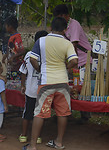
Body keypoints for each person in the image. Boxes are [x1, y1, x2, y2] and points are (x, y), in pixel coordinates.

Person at [23, 17, 78, 150]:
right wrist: (66, 67)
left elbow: (32, 59)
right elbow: (74, 61)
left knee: (40, 112)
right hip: (62, 82)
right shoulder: (67, 43)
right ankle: (58, 142)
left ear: (50, 28)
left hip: (47, 81)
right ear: (65, 30)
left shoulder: (41, 41)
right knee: (62, 112)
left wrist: (39, 69)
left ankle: (33, 145)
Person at [53, 4, 91, 120]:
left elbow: (73, 45)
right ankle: (66, 113)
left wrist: (72, 64)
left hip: (82, 60)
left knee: (81, 88)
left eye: (60, 16)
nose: (58, 18)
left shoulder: (74, 25)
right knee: (70, 87)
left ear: (67, 16)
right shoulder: (61, 27)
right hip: (72, 61)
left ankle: (85, 115)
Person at [18, 30, 48, 144]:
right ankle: (38, 136)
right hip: (43, 90)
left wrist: (22, 85)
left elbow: (23, 72)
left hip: (30, 90)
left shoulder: (29, 55)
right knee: (40, 114)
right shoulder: (48, 55)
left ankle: (24, 135)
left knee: (27, 113)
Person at [2, 16, 25, 90]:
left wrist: (12, 57)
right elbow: (11, 49)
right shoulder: (12, 37)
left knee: (14, 85)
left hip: (16, 66)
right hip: (12, 66)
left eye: (6, 26)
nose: (5, 28)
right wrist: (6, 56)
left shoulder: (17, 37)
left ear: (10, 26)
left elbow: (21, 51)